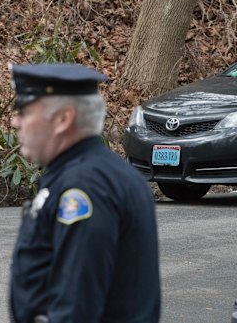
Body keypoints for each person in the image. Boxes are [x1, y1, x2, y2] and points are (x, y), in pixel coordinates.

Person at [8, 63, 161, 323]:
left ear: (63, 119)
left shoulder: (84, 186)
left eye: (24, 112)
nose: (15, 121)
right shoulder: (100, 173)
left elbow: (76, 307)